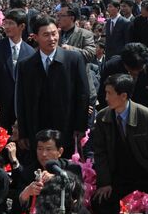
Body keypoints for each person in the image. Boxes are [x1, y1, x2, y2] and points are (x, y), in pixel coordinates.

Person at [88, 73, 148, 214]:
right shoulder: (103, 117)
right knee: (100, 201)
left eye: (109, 93)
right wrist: (105, 182)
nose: (106, 98)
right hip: (118, 175)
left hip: (147, 173)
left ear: (123, 95)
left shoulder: (147, 116)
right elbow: (100, 153)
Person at [16, 16, 92, 157]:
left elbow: (83, 94)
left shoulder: (74, 59)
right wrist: (23, 132)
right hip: (37, 128)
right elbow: (21, 101)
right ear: (35, 37)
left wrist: (80, 126)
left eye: (54, 33)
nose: (52, 39)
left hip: (66, 128)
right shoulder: (25, 65)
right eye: (46, 35)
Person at [0, 9, 35, 131]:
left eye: (11, 23)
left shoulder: (30, 52)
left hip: (21, 107)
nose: (7, 27)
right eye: (6, 23)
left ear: (21, 26)